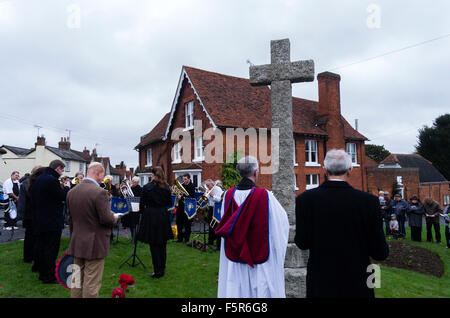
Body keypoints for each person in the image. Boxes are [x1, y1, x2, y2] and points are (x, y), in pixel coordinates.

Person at [295, 149, 388, 298]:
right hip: (357, 280)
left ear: (324, 170)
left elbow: (302, 242)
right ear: (350, 170)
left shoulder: (305, 200)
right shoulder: (368, 202)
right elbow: (380, 251)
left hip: (321, 279)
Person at [215, 156, 289, 298]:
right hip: (260, 261)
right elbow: (280, 225)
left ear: (239, 172)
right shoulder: (266, 196)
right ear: (256, 173)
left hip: (234, 259)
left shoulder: (228, 196)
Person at [66, 162, 119, 298]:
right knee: (92, 282)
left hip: (77, 241)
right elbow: (106, 219)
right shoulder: (100, 192)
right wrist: (115, 217)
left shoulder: (72, 192)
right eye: (102, 175)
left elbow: (70, 219)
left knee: (76, 280)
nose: (103, 179)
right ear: (99, 173)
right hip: (94, 243)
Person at [30, 160, 71, 284]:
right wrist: (68, 187)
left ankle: (41, 271)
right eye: (62, 170)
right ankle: (48, 276)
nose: (62, 172)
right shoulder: (51, 180)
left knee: (42, 247)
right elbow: (62, 196)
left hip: (40, 219)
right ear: (58, 168)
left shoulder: (39, 179)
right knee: (51, 249)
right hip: (51, 220)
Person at [137, 167, 173, 278]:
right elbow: (169, 202)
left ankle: (157, 271)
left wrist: (143, 211)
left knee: (154, 245)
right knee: (162, 244)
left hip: (151, 216)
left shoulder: (147, 187)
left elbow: (142, 204)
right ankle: (162, 269)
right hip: (162, 215)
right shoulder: (166, 187)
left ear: (153, 175)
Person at [121, 177, 142, 243]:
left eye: (134, 182)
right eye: (132, 181)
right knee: (130, 223)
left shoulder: (140, 189)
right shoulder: (130, 188)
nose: (132, 183)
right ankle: (133, 237)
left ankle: (134, 238)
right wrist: (124, 192)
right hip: (129, 208)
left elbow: (141, 198)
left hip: (136, 208)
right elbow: (124, 196)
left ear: (137, 182)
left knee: (135, 223)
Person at [176, 174, 195, 243]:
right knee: (179, 222)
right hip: (180, 206)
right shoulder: (182, 185)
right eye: (183, 179)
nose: (184, 180)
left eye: (185, 179)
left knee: (187, 224)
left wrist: (182, 197)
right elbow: (179, 194)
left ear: (189, 179)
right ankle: (179, 238)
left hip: (188, 207)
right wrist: (178, 194)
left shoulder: (192, 186)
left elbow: (192, 197)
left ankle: (187, 239)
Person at [204, 179, 223, 250]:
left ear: (212, 184)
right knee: (210, 225)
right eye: (206, 185)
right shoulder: (208, 189)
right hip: (211, 208)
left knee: (217, 226)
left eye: (208, 185)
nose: (207, 187)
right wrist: (207, 194)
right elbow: (205, 199)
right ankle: (210, 240)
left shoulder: (218, 189)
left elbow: (220, 199)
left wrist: (212, 195)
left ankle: (219, 244)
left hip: (217, 208)